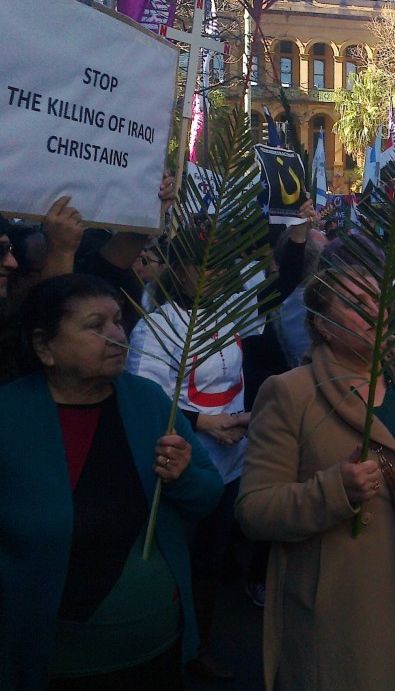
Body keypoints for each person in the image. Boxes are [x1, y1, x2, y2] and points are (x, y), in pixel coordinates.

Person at [234, 264, 395, 690]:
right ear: (320, 326)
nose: (376, 311)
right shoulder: (290, 392)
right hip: (341, 609)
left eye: (379, 299)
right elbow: (254, 509)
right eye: (356, 303)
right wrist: (334, 490)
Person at [0, 274, 222, 690]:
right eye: (95, 326)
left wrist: (183, 476)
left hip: (155, 646)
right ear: (45, 347)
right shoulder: (9, 417)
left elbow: (206, 497)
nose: (118, 335)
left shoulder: (149, 401)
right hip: (55, 660)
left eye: (119, 321)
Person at [126, 225, 257, 680]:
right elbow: (143, 396)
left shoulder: (230, 315)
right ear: (177, 270)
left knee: (210, 561)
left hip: (230, 463)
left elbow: (234, 382)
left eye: (222, 267)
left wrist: (241, 419)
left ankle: (199, 643)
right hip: (182, 467)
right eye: (201, 266)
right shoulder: (155, 326)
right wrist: (202, 422)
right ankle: (163, 644)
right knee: (176, 557)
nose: (213, 276)